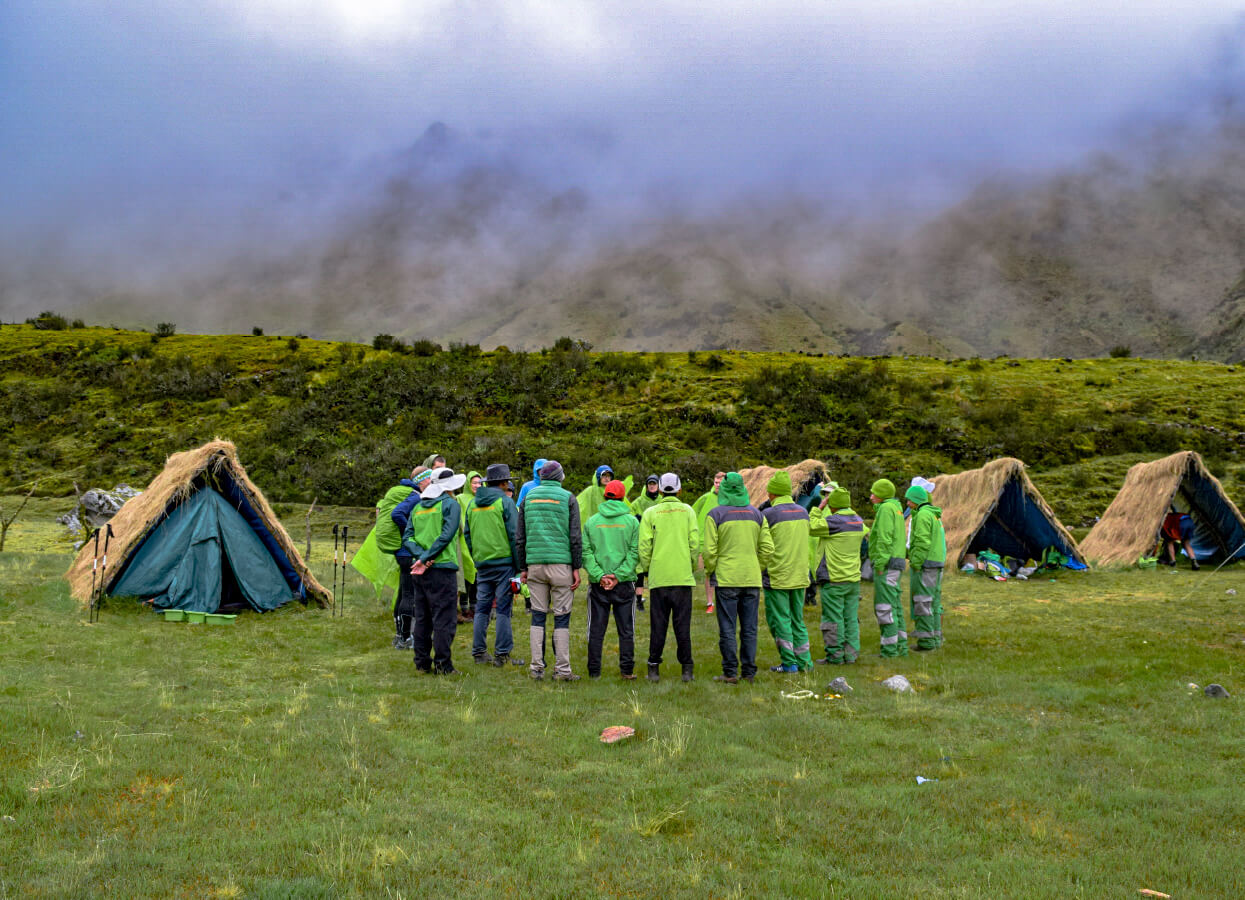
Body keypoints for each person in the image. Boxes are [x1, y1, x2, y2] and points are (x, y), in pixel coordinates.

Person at [515, 460, 583, 681]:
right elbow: (574, 536)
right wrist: (576, 567)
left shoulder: (528, 498)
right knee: (562, 618)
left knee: (537, 616)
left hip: (535, 565)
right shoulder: (568, 498)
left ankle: (536, 668)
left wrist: (523, 567)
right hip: (561, 565)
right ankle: (562, 670)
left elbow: (520, 537)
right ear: (560, 477)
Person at [702, 472, 772, 684]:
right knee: (749, 628)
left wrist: (712, 569)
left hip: (726, 579)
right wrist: (756, 567)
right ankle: (749, 672)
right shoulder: (757, 514)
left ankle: (730, 672)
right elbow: (768, 548)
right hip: (751, 579)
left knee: (728, 628)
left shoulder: (715, 515)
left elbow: (709, 551)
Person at [401, 467, 466, 675]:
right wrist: (426, 558)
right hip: (442, 569)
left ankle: (421, 662)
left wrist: (420, 557)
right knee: (443, 619)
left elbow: (407, 538)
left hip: (420, 571)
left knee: (423, 617)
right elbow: (446, 536)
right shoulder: (450, 505)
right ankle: (443, 664)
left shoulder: (418, 507)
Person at [639, 473, 700, 682]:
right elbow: (694, 544)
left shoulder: (650, 513)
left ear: (661, 490)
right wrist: (690, 566)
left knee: (658, 625)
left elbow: (644, 546)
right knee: (682, 625)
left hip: (659, 578)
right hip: (682, 577)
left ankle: (653, 667)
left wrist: (648, 569)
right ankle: (687, 669)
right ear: (679, 490)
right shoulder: (688, 511)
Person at [465, 464, 525, 667]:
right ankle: (502, 654)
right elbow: (515, 536)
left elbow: (468, 534)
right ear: (502, 483)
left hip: (483, 564)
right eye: (507, 481)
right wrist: (519, 566)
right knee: (503, 609)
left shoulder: (472, 504)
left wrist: (477, 556)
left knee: (481, 609)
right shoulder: (505, 503)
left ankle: (479, 652)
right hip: (504, 563)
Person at [583, 479, 640, 680]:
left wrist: (600, 576)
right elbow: (635, 553)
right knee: (626, 629)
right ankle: (627, 670)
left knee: (596, 630)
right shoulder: (632, 522)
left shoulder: (591, 522)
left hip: (599, 584)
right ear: (623, 497)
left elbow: (586, 552)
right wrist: (618, 575)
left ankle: (594, 672)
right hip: (624, 583)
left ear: (605, 496)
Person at [760, 471, 813, 673]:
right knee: (797, 620)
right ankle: (805, 662)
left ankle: (789, 662)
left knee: (780, 620)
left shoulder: (769, 515)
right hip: (800, 575)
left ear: (772, 493)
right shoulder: (803, 512)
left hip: (777, 576)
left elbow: (764, 546)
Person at [809, 485, 868, 664]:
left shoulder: (834, 522)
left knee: (833, 618)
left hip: (834, 578)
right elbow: (865, 531)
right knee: (850, 618)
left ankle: (835, 656)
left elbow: (811, 527)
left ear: (833, 504)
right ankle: (851, 654)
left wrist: (818, 508)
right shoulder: (858, 521)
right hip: (852, 579)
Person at [373, 465, 427, 648]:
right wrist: (410, 533)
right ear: (422, 479)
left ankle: (399, 635)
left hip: (400, 551)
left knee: (404, 592)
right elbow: (397, 514)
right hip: (406, 551)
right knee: (409, 594)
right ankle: (406, 638)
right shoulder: (414, 495)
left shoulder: (403, 491)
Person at [868, 478, 909, 658]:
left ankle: (889, 651)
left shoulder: (885, 509)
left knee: (884, 607)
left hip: (887, 563)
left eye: (873, 493)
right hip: (897, 561)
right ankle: (901, 647)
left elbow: (885, 538)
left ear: (882, 495)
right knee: (895, 605)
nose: (870, 497)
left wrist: (879, 563)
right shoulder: (896, 508)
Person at [905, 484, 946, 651]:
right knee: (934, 602)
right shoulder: (934, 515)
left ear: (916, 500)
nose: (907, 503)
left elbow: (922, 541)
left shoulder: (922, 516)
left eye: (909, 499)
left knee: (923, 602)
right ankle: (935, 638)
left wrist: (915, 562)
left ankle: (926, 643)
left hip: (926, 564)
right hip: (936, 563)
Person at [692, 472, 726, 614]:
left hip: (724, 541)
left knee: (724, 573)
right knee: (709, 573)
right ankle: (710, 602)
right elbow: (692, 513)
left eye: (720, 482)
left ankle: (723, 602)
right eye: (716, 482)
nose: (717, 485)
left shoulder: (729, 500)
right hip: (706, 541)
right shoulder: (705, 498)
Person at [630, 474, 661, 610]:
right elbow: (630, 514)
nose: (652, 486)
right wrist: (636, 518)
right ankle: (638, 601)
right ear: (647, 485)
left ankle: (658, 599)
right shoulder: (639, 501)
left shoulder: (662, 500)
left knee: (656, 571)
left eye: (654, 484)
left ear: (658, 485)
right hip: (642, 539)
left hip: (659, 540)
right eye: (650, 484)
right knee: (640, 572)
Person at [455, 471, 483, 623]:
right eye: (474, 483)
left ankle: (474, 607)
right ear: (468, 484)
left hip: (479, 540)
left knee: (477, 576)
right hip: (464, 540)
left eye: (480, 483)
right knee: (466, 574)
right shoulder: (460, 499)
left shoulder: (482, 499)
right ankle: (464, 608)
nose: (477, 486)